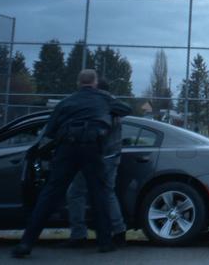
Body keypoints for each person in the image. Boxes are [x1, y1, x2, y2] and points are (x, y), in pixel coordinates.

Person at [12, 69, 128, 258]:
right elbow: (125, 109)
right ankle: (105, 242)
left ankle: (26, 242)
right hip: (92, 148)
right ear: (95, 82)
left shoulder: (67, 102)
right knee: (99, 192)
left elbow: (49, 130)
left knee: (50, 194)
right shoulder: (104, 100)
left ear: (78, 82)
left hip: (67, 149)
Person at [64, 79, 132, 248]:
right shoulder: (113, 106)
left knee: (76, 192)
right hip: (112, 154)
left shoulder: (100, 104)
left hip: (96, 155)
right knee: (107, 192)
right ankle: (118, 231)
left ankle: (79, 233)